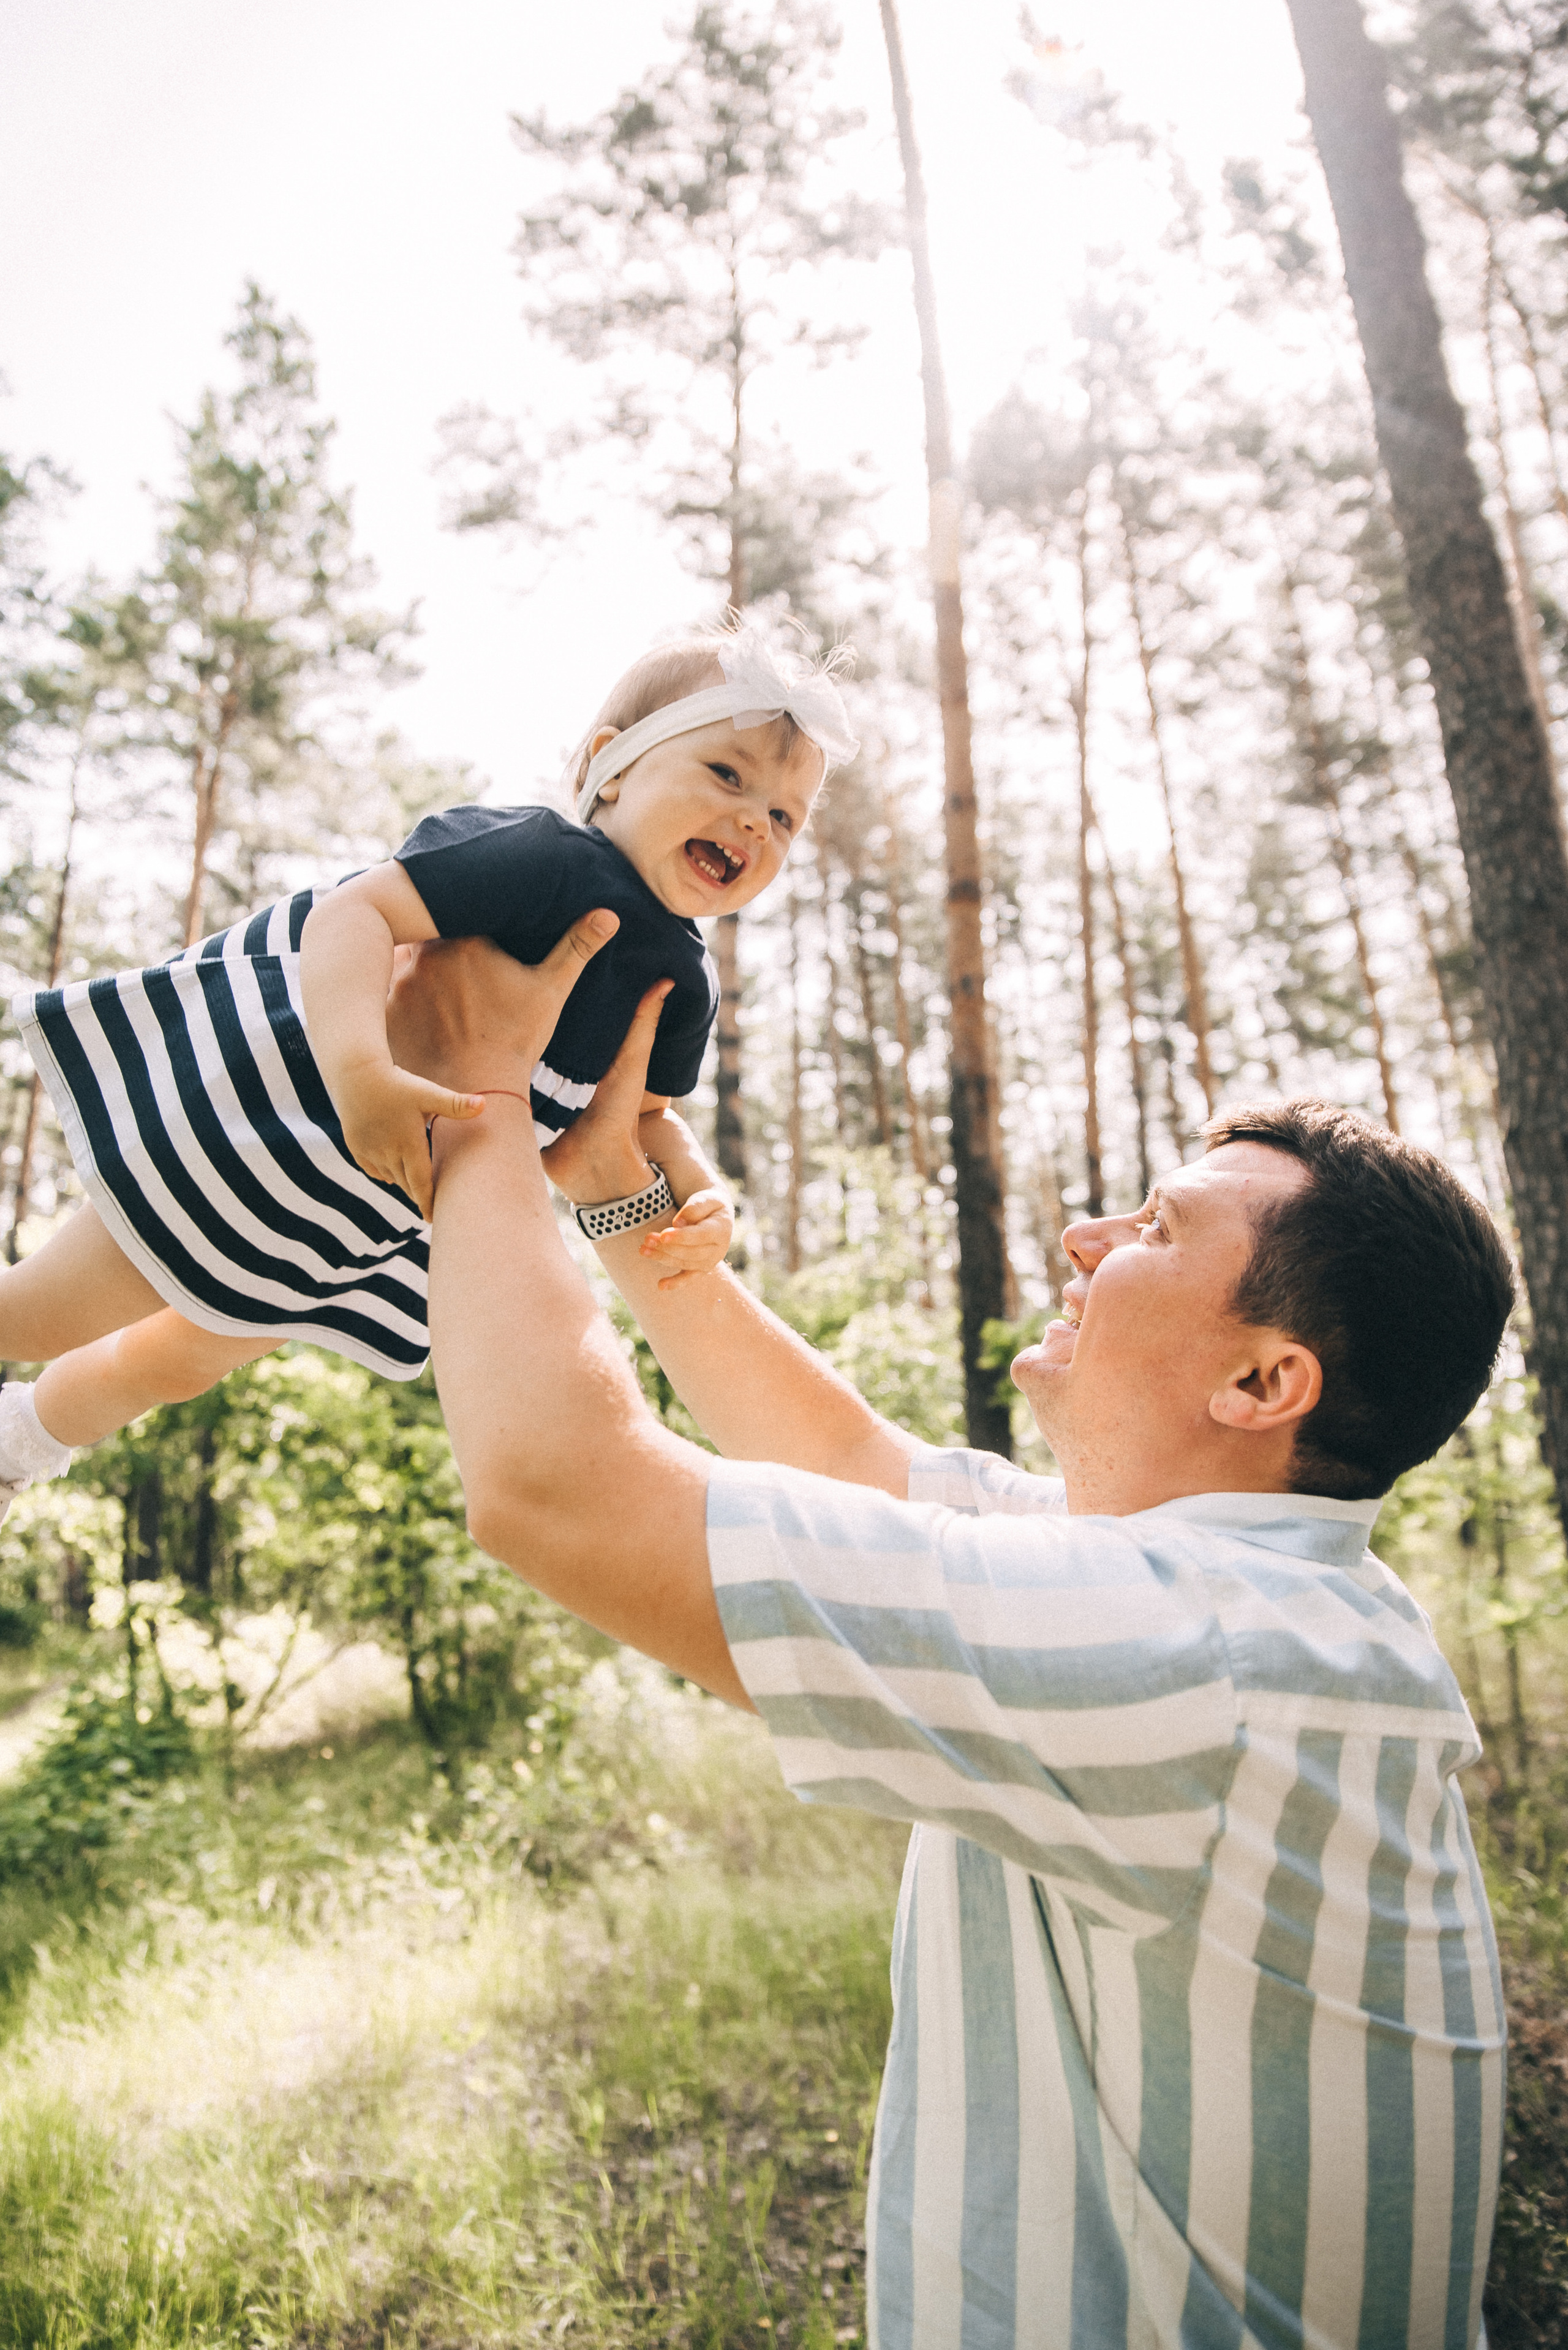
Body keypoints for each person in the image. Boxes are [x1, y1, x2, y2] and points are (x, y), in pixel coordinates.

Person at [398, 916, 1514, 2350]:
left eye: (1156, 1229)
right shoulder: (1219, 1589)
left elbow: (556, 1491)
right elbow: (846, 1462)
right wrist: (610, 1191)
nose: (1082, 1235)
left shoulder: (1205, 1660)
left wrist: (472, 1099)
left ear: (1260, 1377)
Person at [0, 624, 854, 1519]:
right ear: (612, 766)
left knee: (170, 1364)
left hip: (341, 1223)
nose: (757, 820)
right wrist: (362, 1073)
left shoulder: (684, 981)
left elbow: (638, 1120)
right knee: (37, 1314)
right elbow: (355, 914)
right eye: (727, 775)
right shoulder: (545, 861)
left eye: (786, 817)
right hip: (266, 1140)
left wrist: (700, 1192)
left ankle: (21, 1440)